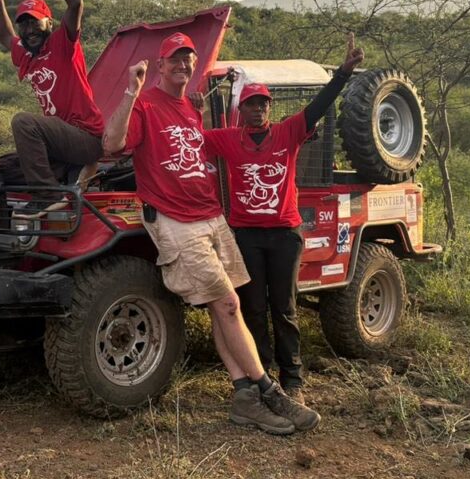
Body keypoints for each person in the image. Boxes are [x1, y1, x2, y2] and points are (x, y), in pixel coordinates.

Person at [102, 32, 320, 435]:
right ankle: (269, 391)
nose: (183, 65)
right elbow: (112, 142)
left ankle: (243, 398)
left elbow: (189, 152)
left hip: (211, 216)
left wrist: (199, 115)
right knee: (230, 306)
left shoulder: (188, 105)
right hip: (176, 219)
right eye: (175, 60)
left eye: (189, 59)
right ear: (160, 66)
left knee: (228, 306)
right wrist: (130, 91)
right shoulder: (145, 104)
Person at [202, 33, 365, 403]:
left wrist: (342, 74)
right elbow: (188, 137)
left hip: (284, 235)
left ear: (269, 109)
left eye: (262, 104)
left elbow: (320, 106)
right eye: (250, 105)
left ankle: (293, 378)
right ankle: (262, 375)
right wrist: (188, 103)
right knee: (253, 308)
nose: (257, 110)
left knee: (285, 307)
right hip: (247, 236)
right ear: (241, 111)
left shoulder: (288, 133)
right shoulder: (227, 139)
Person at [0, 0, 104, 215]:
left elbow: (75, 2)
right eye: (24, 23)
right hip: (59, 141)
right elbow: (5, 36)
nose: (29, 29)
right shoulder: (27, 54)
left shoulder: (63, 45)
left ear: (49, 23)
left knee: (24, 122)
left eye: (35, 21)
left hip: (86, 138)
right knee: (1, 166)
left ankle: (46, 195)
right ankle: (65, 178)